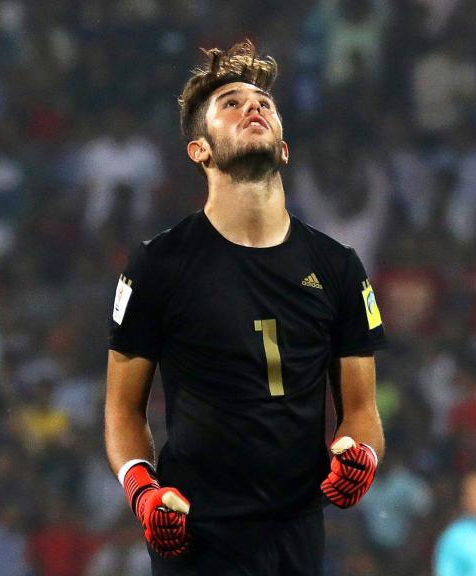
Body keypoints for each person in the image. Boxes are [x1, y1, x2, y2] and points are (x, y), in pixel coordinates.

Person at [104, 40, 387, 575]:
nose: (253, 108)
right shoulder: (156, 267)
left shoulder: (339, 268)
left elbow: (361, 410)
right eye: (230, 104)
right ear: (200, 150)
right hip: (196, 532)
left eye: (264, 104)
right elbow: (123, 409)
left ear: (283, 148)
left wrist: (360, 455)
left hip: (298, 534)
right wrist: (143, 491)